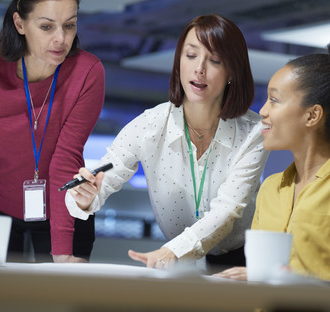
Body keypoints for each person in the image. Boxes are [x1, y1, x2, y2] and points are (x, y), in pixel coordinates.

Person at [65, 14, 269, 272]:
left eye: (215, 60)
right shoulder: (149, 125)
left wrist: (172, 251)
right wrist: (85, 197)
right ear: (178, 62)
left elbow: (228, 210)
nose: (199, 69)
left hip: (239, 263)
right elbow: (105, 177)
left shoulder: (252, 133)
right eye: (191, 55)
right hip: (177, 259)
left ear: (232, 72)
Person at [214, 36, 330, 284]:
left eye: (274, 100)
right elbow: (266, 272)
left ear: (312, 115)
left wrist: (304, 287)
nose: (263, 111)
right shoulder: (271, 187)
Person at [0, 0, 105, 263]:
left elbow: (65, 158)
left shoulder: (88, 72)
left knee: (59, 301)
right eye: (47, 26)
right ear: (19, 23)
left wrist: (61, 252)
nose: (61, 39)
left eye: (69, 25)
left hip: (63, 211)